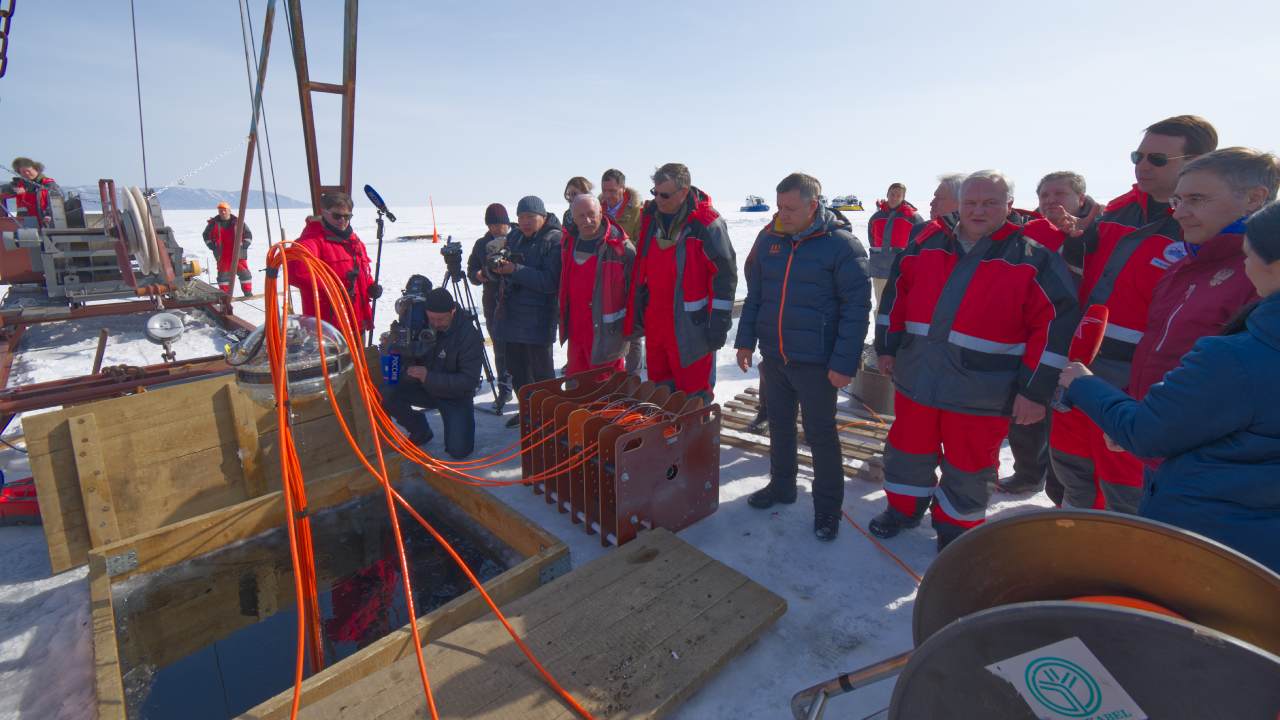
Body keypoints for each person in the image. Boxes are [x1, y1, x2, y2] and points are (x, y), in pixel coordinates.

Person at [1057, 200, 1280, 574]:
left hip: (1215, 549)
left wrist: (1083, 384)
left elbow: (1146, 433)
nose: (1244, 266)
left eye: (1249, 254)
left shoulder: (1237, 356)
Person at [870, 171, 1079, 551]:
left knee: (969, 465)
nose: (978, 211)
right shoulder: (927, 244)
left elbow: (1053, 330)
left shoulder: (1032, 258)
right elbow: (895, 299)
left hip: (981, 391)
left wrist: (1034, 391)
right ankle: (902, 510)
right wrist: (886, 347)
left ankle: (957, 529)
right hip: (918, 379)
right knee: (906, 451)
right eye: (971, 203)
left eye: (990, 203)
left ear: (1009, 206)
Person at [1041, 115, 1218, 513]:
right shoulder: (1117, 212)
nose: (1143, 166)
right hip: (1081, 373)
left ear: (1198, 162)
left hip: (1142, 387)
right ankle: (1070, 542)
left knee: (1127, 490)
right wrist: (1077, 240)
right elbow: (1086, 279)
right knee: (1072, 472)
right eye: (1138, 156)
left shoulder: (1205, 227)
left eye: (1158, 159)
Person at [735, 173, 872, 540]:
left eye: (790, 208)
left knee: (820, 435)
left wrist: (844, 363)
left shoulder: (841, 246)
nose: (782, 214)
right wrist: (745, 341)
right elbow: (756, 296)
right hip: (776, 357)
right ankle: (782, 486)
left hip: (817, 363)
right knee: (780, 426)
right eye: (779, 206)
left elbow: (857, 310)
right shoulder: (771, 240)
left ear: (814, 205)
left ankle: (827, 510)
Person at [1129, 147, 1278, 406]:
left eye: (1196, 199)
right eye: (1177, 201)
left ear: (1254, 199)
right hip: (1158, 422)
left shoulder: (1264, 276)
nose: (1178, 213)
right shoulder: (1183, 267)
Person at [995, 171, 1099, 498]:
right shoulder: (1032, 233)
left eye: (1060, 194)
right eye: (1045, 196)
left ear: (1080, 199)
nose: (1051, 201)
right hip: (1033, 333)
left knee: (1066, 418)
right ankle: (1028, 473)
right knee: (1025, 407)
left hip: (1082, 339)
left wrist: (1079, 238)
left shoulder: (1099, 231)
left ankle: (1060, 488)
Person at [626, 163, 736, 402]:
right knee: (659, 392)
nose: (658, 199)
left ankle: (697, 427)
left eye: (664, 195)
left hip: (691, 329)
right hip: (657, 323)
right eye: (655, 192)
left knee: (693, 396)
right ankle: (665, 427)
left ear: (683, 192)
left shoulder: (706, 224)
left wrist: (719, 323)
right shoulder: (651, 219)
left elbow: (725, 276)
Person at [381, 287, 484, 458]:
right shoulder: (420, 323)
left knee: (459, 451)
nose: (435, 323)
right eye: (432, 318)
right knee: (387, 393)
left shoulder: (468, 335)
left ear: (453, 311)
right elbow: (404, 358)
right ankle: (419, 430)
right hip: (425, 388)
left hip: (455, 396)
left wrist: (428, 376)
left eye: (441, 319)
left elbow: (469, 381)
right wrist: (393, 346)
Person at [491, 195, 563, 427]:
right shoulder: (514, 237)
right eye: (521, 217)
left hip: (538, 318)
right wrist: (495, 266)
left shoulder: (554, 239)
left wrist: (515, 269)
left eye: (530, 217)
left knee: (542, 374)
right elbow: (501, 266)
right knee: (517, 370)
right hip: (511, 315)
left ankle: (550, 418)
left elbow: (550, 282)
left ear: (543, 216)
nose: (525, 222)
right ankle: (528, 412)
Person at [559, 194, 635, 376]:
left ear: (601, 212)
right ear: (573, 218)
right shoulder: (568, 243)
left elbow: (636, 292)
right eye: (581, 216)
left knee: (607, 387)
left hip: (608, 334)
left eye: (591, 214)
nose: (587, 220)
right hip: (577, 332)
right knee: (577, 385)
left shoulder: (620, 247)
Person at [288, 192, 381, 333]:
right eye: (337, 216)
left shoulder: (354, 241)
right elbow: (296, 273)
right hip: (328, 326)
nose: (342, 220)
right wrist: (334, 287)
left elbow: (362, 272)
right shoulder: (311, 241)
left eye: (347, 216)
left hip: (356, 322)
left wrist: (370, 287)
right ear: (324, 213)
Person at [467, 203, 513, 406]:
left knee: (520, 347)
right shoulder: (481, 244)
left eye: (499, 224)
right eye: (491, 225)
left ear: (506, 223)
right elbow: (471, 269)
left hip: (517, 300)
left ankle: (524, 387)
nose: (495, 228)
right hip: (493, 301)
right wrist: (476, 275)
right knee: (500, 346)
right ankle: (505, 389)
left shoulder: (518, 237)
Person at [601, 168, 646, 375]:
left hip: (629, 275)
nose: (608, 195)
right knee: (608, 326)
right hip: (605, 277)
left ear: (623, 188)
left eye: (612, 191)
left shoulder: (637, 212)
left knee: (632, 329)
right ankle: (610, 373)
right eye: (605, 190)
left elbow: (641, 244)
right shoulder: (598, 210)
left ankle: (632, 376)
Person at [866, 182, 925, 301]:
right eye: (892, 194)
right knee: (881, 302)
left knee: (900, 303)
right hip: (880, 267)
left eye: (898, 195)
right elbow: (871, 239)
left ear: (903, 197)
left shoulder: (912, 217)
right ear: (887, 195)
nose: (894, 198)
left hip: (902, 269)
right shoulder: (876, 217)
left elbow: (921, 240)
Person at [202, 201, 254, 297]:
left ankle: (248, 293)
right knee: (223, 278)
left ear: (229, 211)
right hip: (222, 255)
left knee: (245, 274)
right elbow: (206, 235)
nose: (223, 212)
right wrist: (211, 246)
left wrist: (245, 244)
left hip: (238, 254)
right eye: (220, 210)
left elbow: (248, 234)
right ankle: (225, 296)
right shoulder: (213, 223)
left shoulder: (238, 222)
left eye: (225, 210)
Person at [1, 157, 60, 226]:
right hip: (23, 223)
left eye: (28, 171)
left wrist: (49, 214)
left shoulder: (48, 184)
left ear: (36, 169)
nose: (27, 173)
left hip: (45, 221)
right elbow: (5, 189)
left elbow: (57, 200)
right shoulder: (17, 184)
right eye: (23, 172)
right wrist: (14, 191)